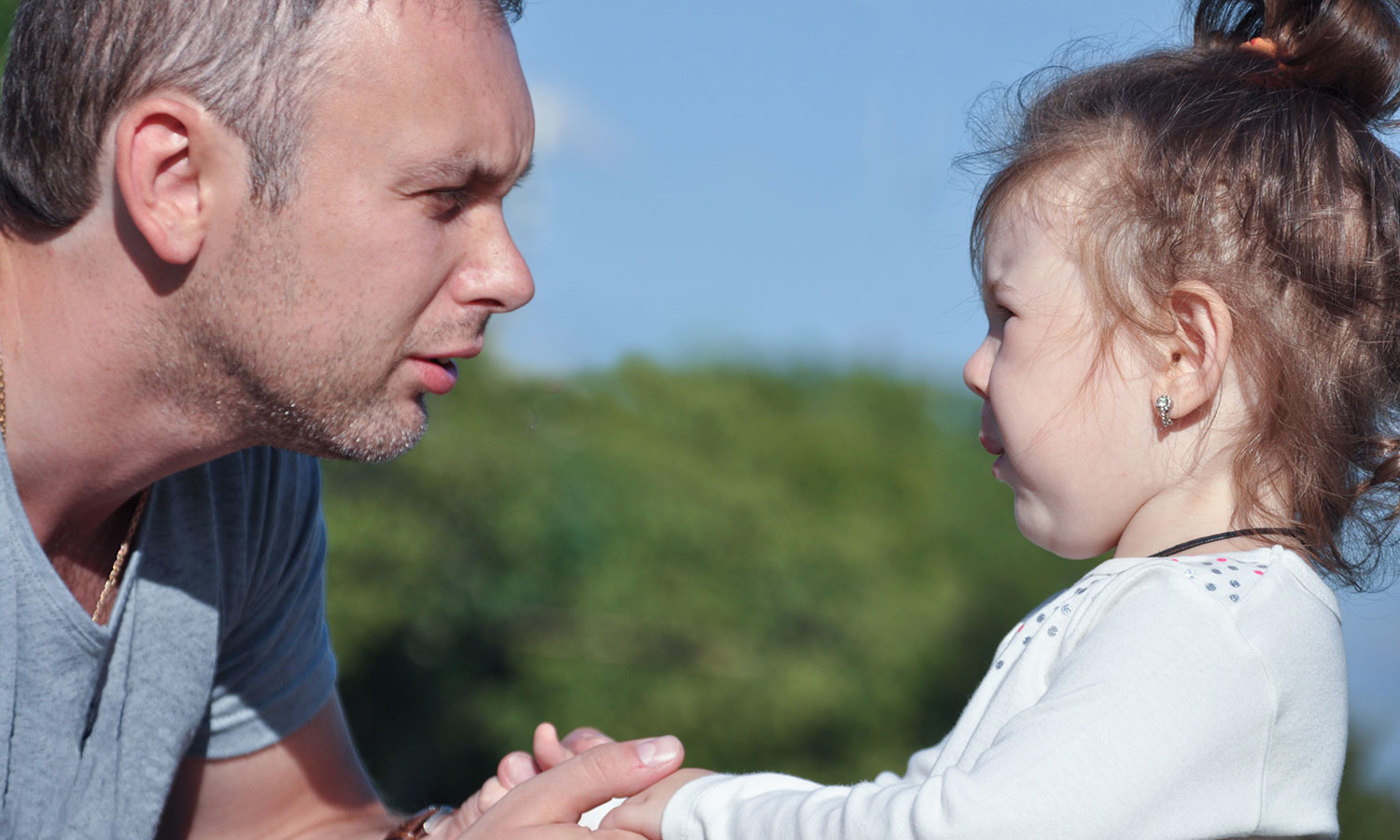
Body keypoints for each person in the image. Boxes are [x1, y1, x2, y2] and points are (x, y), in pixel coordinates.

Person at [468, 0, 1400, 836]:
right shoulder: (1183, 614)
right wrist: (637, 804)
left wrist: (697, 813)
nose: (974, 365)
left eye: (1009, 318)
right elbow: (918, 802)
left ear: (1182, 354)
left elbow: (950, 828)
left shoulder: (1212, 632)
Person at [0, 0, 684, 838]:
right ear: (175, 178)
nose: (510, 276)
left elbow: (283, 822)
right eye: (444, 196)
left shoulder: (234, 466)